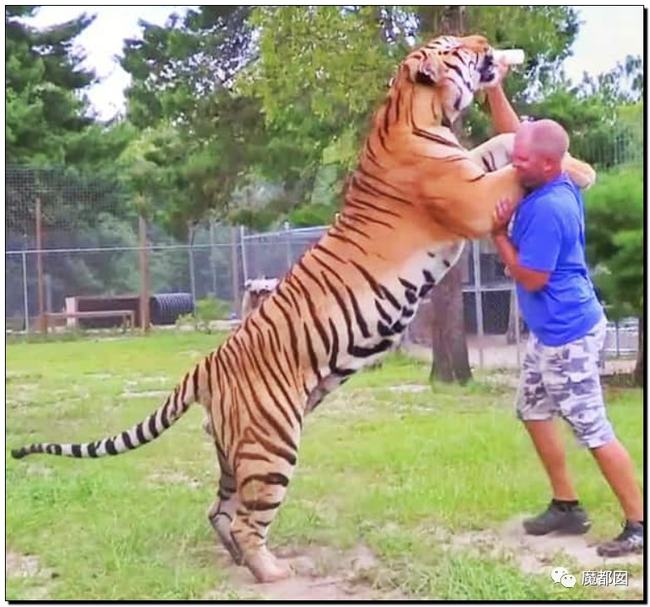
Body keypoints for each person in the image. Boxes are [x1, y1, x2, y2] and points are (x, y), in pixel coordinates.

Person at [482, 65, 644, 557]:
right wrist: (495, 88)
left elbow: (532, 277)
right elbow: (515, 135)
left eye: (524, 160)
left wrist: (498, 237)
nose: (515, 163)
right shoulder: (543, 175)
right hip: (547, 332)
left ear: (550, 165)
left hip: (568, 333)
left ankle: (639, 525)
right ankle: (567, 507)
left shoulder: (549, 208)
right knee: (532, 410)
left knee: (591, 427)